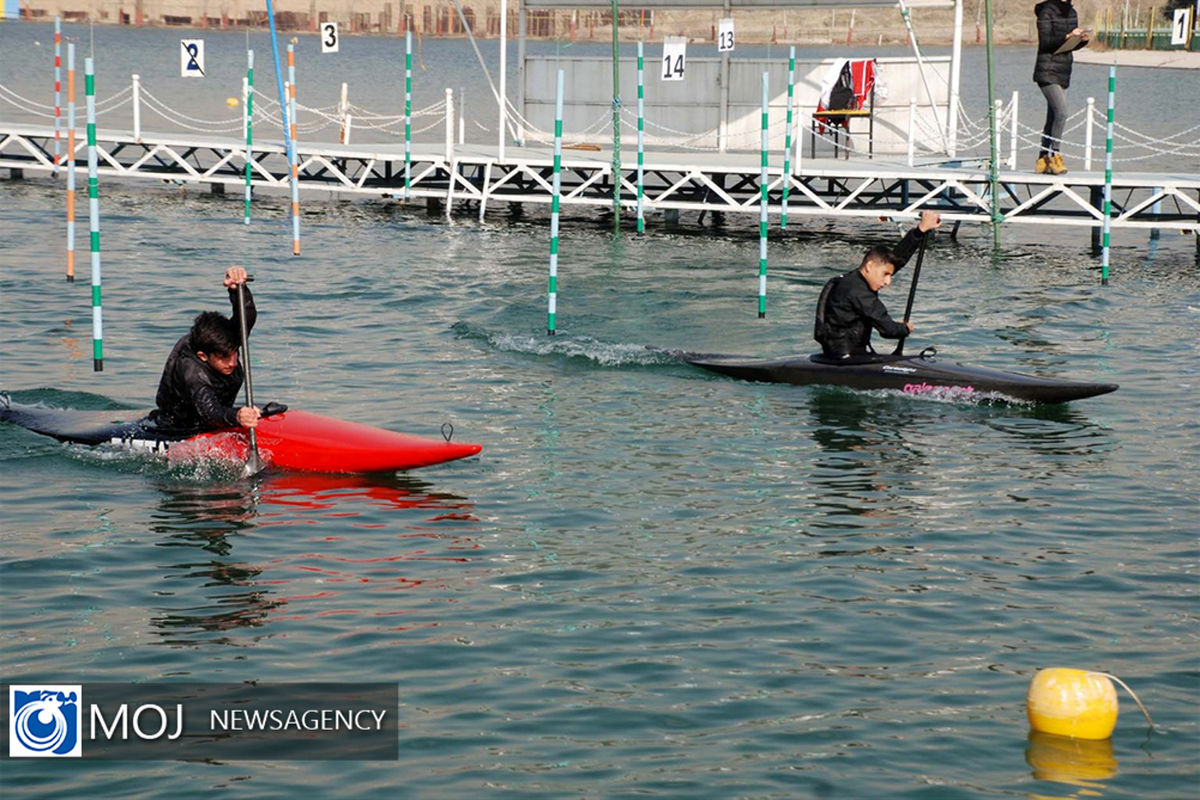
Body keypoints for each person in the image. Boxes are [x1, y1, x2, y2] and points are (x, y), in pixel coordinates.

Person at [814, 210, 941, 361]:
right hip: (845, 359)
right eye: (885, 275)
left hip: (849, 354)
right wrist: (904, 329)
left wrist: (920, 231)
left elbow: (898, 258)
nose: (888, 282)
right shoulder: (858, 292)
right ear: (870, 266)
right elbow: (887, 330)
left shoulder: (854, 280)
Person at [150, 267, 261, 432]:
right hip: (178, 427)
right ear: (203, 356)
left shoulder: (226, 341)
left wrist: (237, 289)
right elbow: (210, 412)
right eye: (224, 357)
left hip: (218, 417)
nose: (233, 363)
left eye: (235, 354)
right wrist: (237, 416)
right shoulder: (191, 370)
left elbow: (246, 316)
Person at [1033, 0, 1089, 175]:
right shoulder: (1046, 11)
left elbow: (1069, 45)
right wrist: (1066, 36)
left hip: (1064, 70)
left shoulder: (1072, 12)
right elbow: (1046, 43)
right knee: (1062, 112)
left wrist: (1081, 40)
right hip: (1047, 69)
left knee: (1053, 117)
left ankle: (1043, 159)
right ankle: (1055, 155)